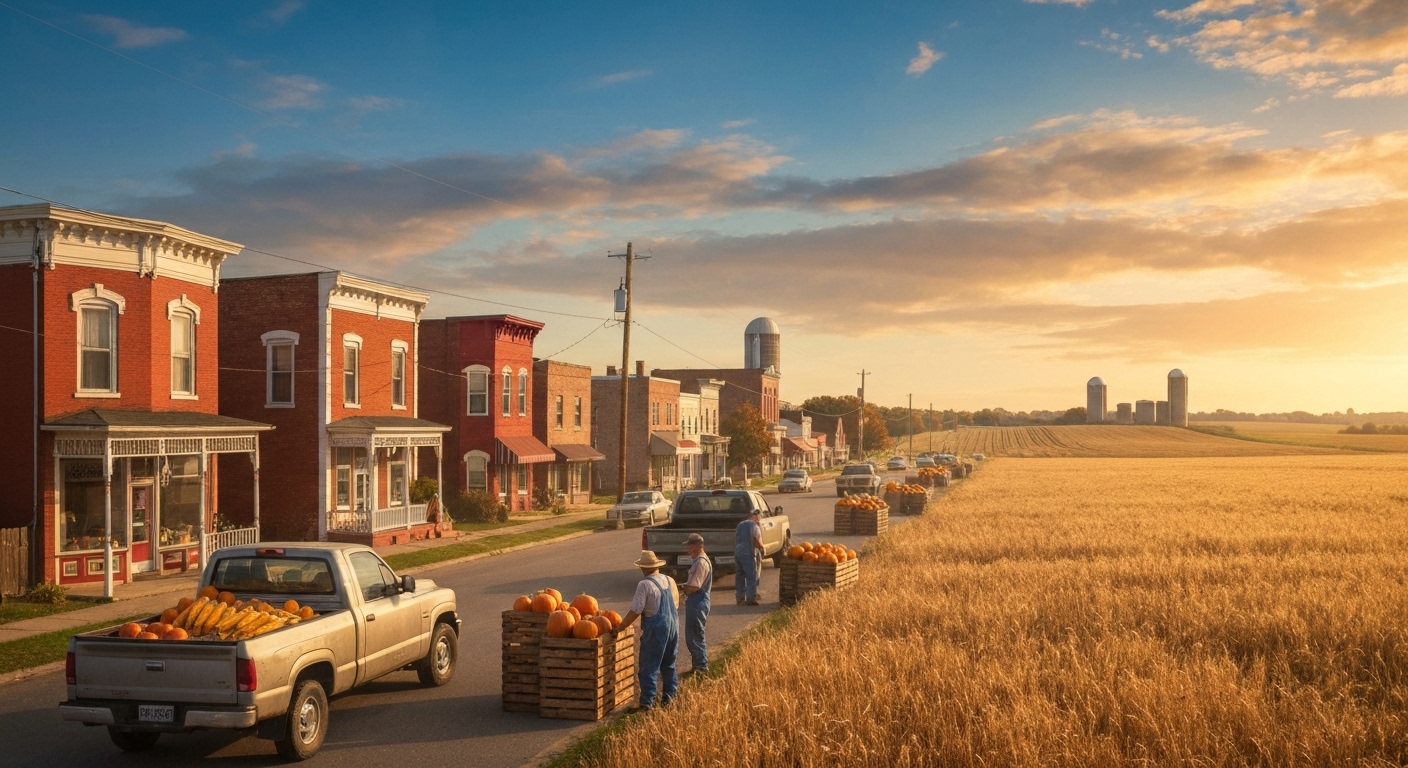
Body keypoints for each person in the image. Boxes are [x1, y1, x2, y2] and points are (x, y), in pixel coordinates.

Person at [618, 550, 680, 710]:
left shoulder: (644, 584)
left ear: (642, 568)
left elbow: (636, 610)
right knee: (669, 665)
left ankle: (647, 704)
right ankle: (670, 700)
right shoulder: (670, 580)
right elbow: (676, 604)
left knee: (649, 667)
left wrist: (621, 626)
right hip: (673, 626)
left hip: (656, 629)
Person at [680, 533, 712, 676]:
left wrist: (681, 588)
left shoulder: (700, 563)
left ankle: (701, 667)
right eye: (688, 545)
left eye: (690, 545)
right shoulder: (699, 561)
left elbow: (694, 586)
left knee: (695, 635)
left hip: (698, 602)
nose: (688, 549)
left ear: (699, 546)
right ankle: (698, 665)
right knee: (694, 635)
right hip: (696, 601)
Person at [734, 508, 763, 605]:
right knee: (751, 575)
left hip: (738, 552)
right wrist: (762, 548)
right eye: (758, 518)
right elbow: (757, 540)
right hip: (748, 552)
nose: (758, 520)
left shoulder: (740, 524)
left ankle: (740, 597)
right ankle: (751, 598)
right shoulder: (755, 526)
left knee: (740, 575)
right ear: (755, 518)